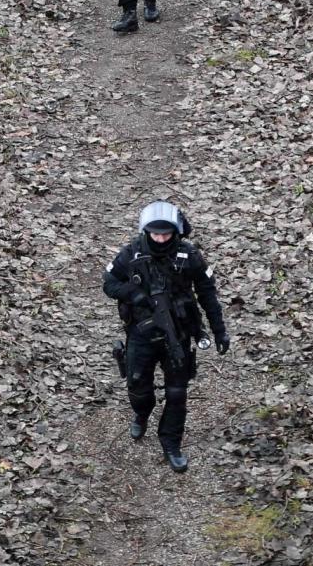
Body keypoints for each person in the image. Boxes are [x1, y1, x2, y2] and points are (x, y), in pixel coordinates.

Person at [103, 201, 230, 473]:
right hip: (142, 333)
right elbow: (109, 283)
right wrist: (135, 295)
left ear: (176, 231)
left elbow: (207, 293)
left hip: (179, 332)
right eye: (155, 234)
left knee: (177, 393)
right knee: (138, 387)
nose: (160, 239)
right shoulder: (131, 253)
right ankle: (141, 413)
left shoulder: (188, 255)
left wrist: (219, 330)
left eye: (166, 234)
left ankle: (171, 443)